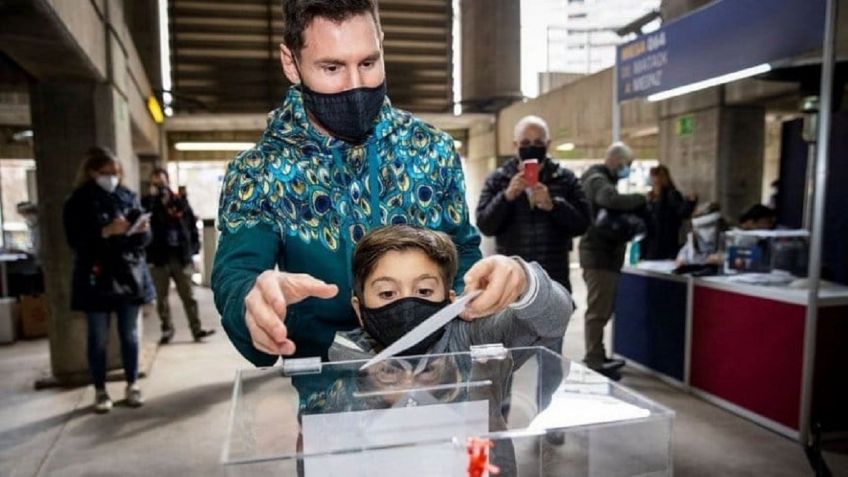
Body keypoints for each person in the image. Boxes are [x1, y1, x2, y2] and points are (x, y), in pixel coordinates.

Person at [212, 0, 519, 367]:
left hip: (438, 372)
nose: (356, 86)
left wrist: (485, 286)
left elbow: (461, 250)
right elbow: (236, 273)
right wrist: (251, 303)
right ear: (290, 63)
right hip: (327, 385)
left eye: (368, 63)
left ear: (382, 46)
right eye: (332, 67)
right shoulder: (258, 173)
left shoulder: (431, 149)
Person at [475, 115, 589, 422]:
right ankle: (501, 415)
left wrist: (555, 205)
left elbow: (583, 222)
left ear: (548, 145)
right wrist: (507, 197)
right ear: (514, 145)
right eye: (525, 143)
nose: (531, 149)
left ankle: (547, 418)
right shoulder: (499, 179)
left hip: (553, 286)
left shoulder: (565, 179)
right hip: (508, 291)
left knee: (551, 362)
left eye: (538, 143)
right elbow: (484, 223)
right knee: (504, 359)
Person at [63, 147, 155, 413]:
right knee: (98, 337)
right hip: (96, 277)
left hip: (128, 275)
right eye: (106, 173)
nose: (113, 178)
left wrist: (142, 231)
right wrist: (104, 231)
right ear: (92, 172)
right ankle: (100, 390)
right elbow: (74, 240)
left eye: (116, 173)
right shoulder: (77, 201)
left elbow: (142, 242)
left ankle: (132, 384)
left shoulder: (127, 196)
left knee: (130, 335)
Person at [579, 142, 647, 380]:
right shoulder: (597, 180)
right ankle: (594, 359)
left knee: (602, 309)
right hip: (599, 255)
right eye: (627, 165)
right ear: (617, 162)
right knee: (598, 311)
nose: (627, 169)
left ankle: (598, 354)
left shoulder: (598, 178)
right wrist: (641, 198)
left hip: (603, 255)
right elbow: (610, 200)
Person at [143, 168, 214, 344]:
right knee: (161, 298)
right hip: (159, 258)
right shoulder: (147, 202)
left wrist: (193, 249)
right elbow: (145, 221)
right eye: (156, 181)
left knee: (188, 295)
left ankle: (196, 329)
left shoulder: (179, 201)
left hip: (180, 256)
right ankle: (167, 329)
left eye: (162, 180)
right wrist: (154, 199)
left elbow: (190, 225)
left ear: (168, 181)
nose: (160, 184)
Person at [641, 165, 697, 260]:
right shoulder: (650, 196)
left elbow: (682, 212)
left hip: (665, 242)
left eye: (654, 177)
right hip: (651, 242)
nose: (652, 180)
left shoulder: (670, 195)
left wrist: (690, 202)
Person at [675, 202, 725, 267]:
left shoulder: (730, 237)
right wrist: (681, 259)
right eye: (701, 227)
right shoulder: (693, 237)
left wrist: (723, 259)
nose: (707, 231)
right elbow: (684, 253)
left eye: (710, 225)